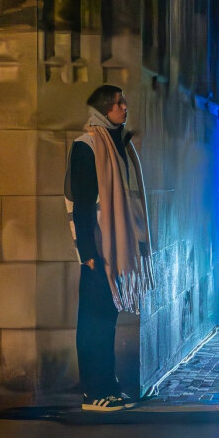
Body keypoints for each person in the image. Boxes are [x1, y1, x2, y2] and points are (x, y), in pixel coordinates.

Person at [64, 85, 154, 412]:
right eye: (119, 103)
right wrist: (87, 253)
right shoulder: (87, 145)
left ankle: (108, 386)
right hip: (98, 250)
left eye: (124, 102)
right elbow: (82, 203)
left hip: (110, 248)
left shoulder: (115, 144)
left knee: (108, 318)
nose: (125, 108)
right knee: (94, 320)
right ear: (106, 108)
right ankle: (94, 391)